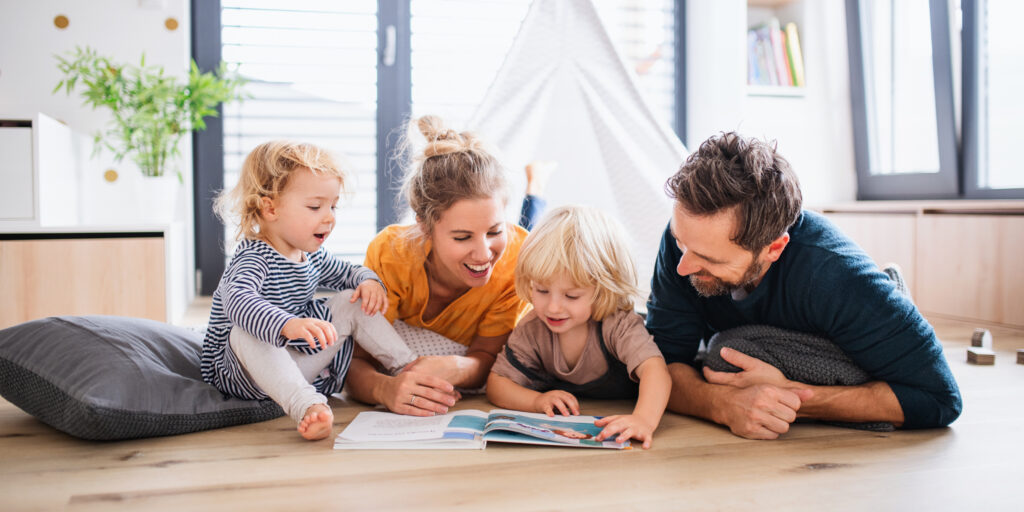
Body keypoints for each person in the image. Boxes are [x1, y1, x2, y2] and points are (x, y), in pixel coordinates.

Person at [645, 132, 962, 440]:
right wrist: (721, 405)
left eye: (708, 259)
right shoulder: (687, 242)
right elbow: (660, 365)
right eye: (680, 241)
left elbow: (940, 399)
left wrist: (791, 398)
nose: (682, 267)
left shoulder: (836, 276)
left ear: (774, 248)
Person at [201, 141, 416, 441]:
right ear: (270, 207)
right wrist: (287, 325)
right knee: (243, 330)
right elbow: (237, 302)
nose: (329, 217)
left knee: (349, 300)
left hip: (294, 363)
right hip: (244, 373)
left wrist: (368, 281)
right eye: (316, 207)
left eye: (333, 206)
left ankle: (408, 366)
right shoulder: (253, 258)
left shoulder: (310, 255)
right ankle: (308, 405)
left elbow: (348, 272)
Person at [345, 115, 544, 416]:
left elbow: (490, 358)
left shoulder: (515, 261)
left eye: (494, 231)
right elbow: (355, 361)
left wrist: (457, 366)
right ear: (425, 227)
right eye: (462, 237)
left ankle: (537, 185)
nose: (483, 253)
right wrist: (384, 389)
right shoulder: (391, 254)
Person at [487, 206, 671, 449]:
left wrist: (643, 419)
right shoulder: (533, 327)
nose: (553, 307)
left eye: (571, 296)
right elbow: (497, 383)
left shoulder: (617, 323)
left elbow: (656, 371)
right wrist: (536, 400)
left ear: (603, 291)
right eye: (541, 290)